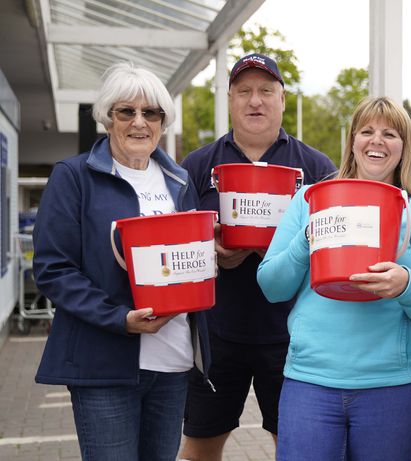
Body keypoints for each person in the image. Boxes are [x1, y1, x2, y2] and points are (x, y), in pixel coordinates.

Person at [32, 62, 211, 460]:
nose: (139, 122)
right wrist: (119, 319)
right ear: (107, 118)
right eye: (126, 111)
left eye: (151, 113)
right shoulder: (74, 176)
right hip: (103, 365)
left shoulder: (179, 182)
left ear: (163, 123)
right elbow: (52, 269)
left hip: (173, 361)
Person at [257, 96, 411, 461]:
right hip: (311, 380)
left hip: (396, 386)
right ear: (352, 141)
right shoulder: (310, 202)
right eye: (367, 131)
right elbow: (271, 286)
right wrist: (306, 239)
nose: (377, 141)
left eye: (390, 133)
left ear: (404, 148)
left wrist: (405, 285)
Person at [180, 53, 336, 460]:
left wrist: (288, 253)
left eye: (266, 91)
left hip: (293, 336)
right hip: (216, 334)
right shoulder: (196, 167)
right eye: (244, 91)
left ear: (282, 100)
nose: (255, 101)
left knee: (296, 447)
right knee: (199, 448)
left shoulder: (317, 168)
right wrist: (210, 254)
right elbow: (176, 248)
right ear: (230, 100)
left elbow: (335, 249)